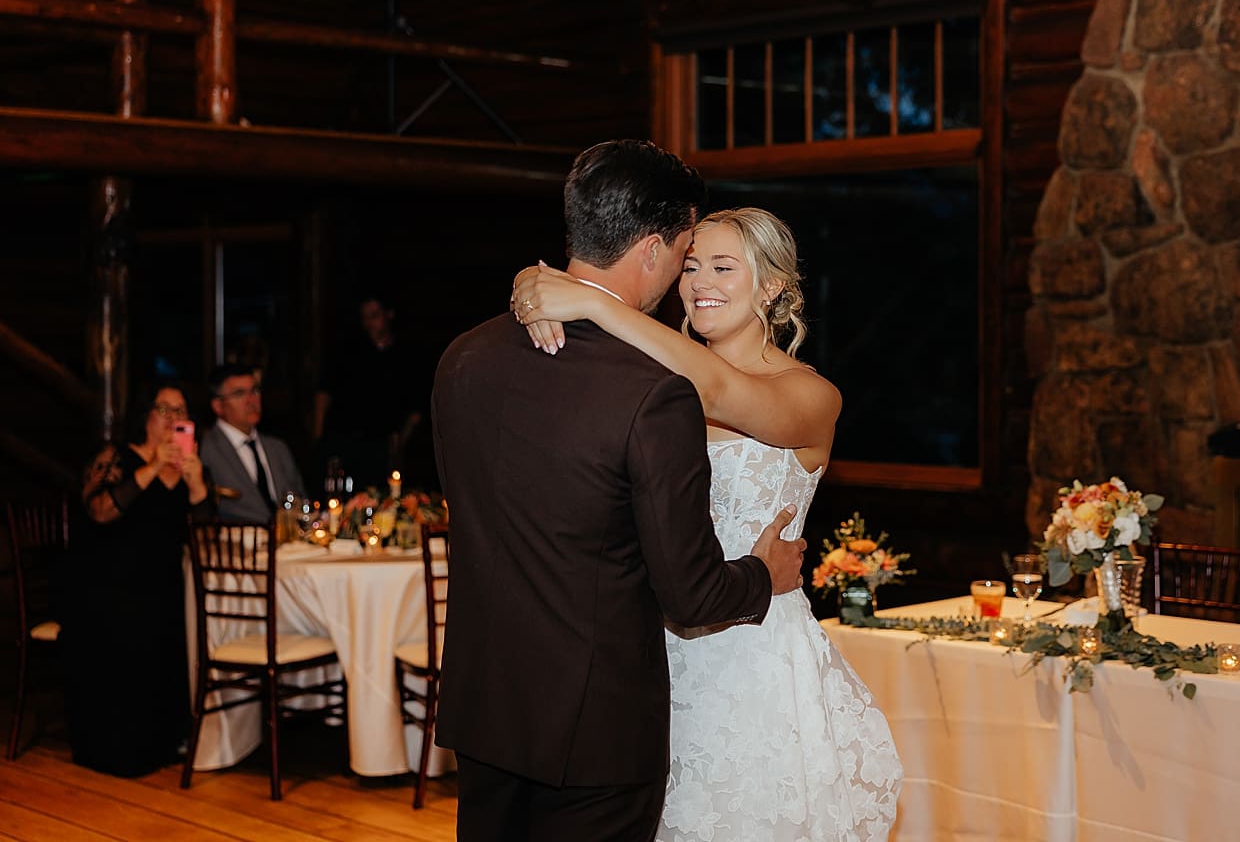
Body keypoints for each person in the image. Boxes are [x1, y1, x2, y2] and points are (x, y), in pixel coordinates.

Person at [432, 139, 807, 842]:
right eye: (687, 250)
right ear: (654, 250)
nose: (689, 273)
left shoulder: (463, 358)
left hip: (485, 707)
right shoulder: (653, 394)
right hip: (594, 727)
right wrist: (764, 574)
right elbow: (689, 592)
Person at [512, 206, 903, 842]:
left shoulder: (812, 396)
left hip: (754, 656)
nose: (699, 283)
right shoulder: (649, 381)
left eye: (723, 267)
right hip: (647, 650)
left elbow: (719, 393)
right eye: (690, 266)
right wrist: (538, 289)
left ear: (772, 286)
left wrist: (594, 301)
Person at [61, 382, 215, 777]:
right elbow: (99, 510)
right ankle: (115, 748)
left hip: (160, 586)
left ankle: (162, 742)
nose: (173, 420)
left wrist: (197, 487)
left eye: (181, 412)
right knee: (130, 621)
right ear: (144, 416)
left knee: (166, 621)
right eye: (164, 410)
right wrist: (151, 468)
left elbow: (206, 541)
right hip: (105, 587)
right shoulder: (117, 458)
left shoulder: (185, 471)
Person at [314, 292, 425, 489]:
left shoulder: (405, 355)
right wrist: (319, 434)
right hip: (345, 441)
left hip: (382, 447)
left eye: (374, 316)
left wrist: (400, 442)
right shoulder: (349, 351)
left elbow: (416, 406)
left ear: (389, 314)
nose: (369, 323)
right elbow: (324, 391)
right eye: (365, 318)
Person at [198, 364, 304, 525]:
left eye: (254, 391)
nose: (251, 400)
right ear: (218, 405)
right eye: (239, 393)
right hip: (235, 545)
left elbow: (301, 502)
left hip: (291, 543)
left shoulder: (277, 448)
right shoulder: (205, 449)